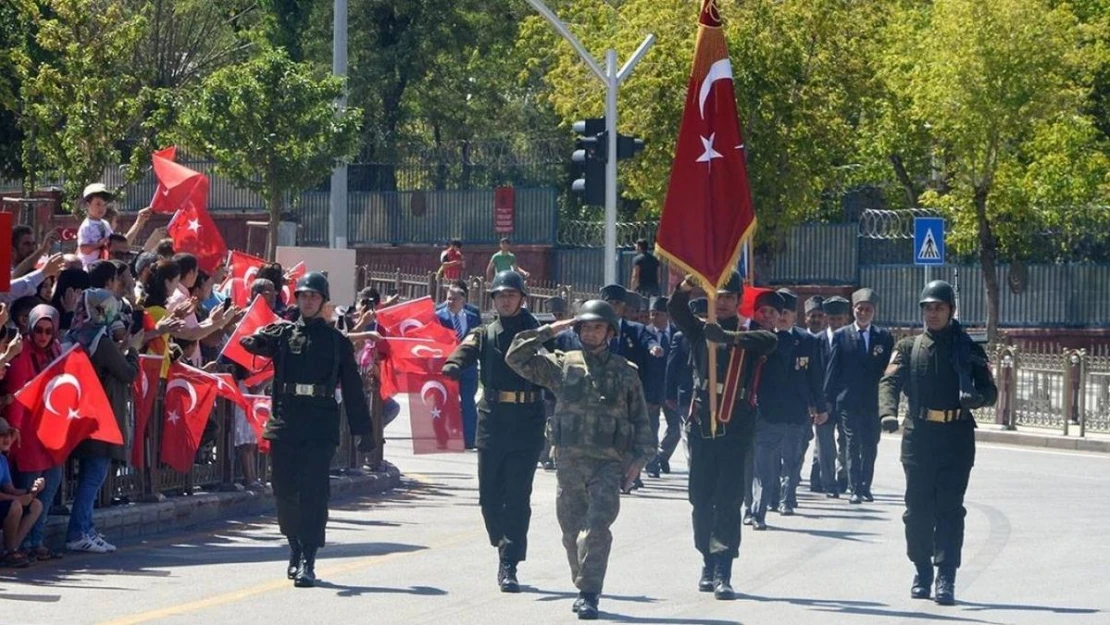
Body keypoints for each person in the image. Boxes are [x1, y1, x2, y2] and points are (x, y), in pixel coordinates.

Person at [506, 300, 656, 620]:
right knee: (572, 534)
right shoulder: (562, 364)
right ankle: (582, 579)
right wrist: (549, 330)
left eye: (597, 327)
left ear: (610, 332)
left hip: (607, 463)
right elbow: (515, 356)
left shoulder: (625, 372)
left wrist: (639, 460)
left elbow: (641, 419)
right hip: (570, 462)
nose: (590, 333)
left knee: (597, 527)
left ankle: (589, 593)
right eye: (585, 327)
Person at [239, 272, 376, 588]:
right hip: (286, 421)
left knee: (314, 492)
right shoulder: (283, 334)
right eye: (303, 296)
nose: (308, 301)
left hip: (319, 424)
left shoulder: (336, 341)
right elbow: (257, 343)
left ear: (324, 302)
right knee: (283, 489)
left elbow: (353, 389)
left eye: (314, 296)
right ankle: (294, 544)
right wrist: (255, 342)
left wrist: (363, 431)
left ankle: (309, 557)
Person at [879, 280, 997, 606]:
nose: (933, 313)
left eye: (939, 307)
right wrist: (887, 413)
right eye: (928, 308)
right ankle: (921, 569)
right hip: (918, 436)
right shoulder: (907, 347)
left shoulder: (969, 349)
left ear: (951, 311)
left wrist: (977, 398)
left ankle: (946, 575)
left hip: (956, 437)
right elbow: (889, 381)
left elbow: (991, 391)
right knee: (917, 512)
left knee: (949, 510)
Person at [667, 272, 777, 600]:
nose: (725, 301)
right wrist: (688, 285)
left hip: (736, 420)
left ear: (738, 300)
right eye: (719, 295)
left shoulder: (749, 331)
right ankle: (706, 557)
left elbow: (771, 341)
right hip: (703, 419)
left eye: (730, 296)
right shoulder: (700, 329)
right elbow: (676, 310)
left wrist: (729, 338)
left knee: (728, 497)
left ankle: (723, 568)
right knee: (701, 497)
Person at [442, 270, 550, 593]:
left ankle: (509, 561)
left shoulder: (536, 332)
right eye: (500, 295)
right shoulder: (485, 333)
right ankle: (500, 539)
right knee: (489, 496)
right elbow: (464, 350)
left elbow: (560, 358)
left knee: (518, 494)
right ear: (493, 300)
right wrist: (453, 364)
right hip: (493, 419)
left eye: (511, 295)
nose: (506, 299)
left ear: (522, 298)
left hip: (527, 420)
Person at [63, 289, 139, 554]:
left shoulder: (73, 334)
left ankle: (87, 527)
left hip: (82, 414)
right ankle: (78, 532)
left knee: (90, 476)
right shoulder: (98, 340)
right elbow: (127, 373)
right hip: (99, 416)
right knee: (93, 477)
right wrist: (132, 351)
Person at [751, 289, 827, 523]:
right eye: (778, 312)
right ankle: (761, 508)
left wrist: (820, 406)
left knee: (793, 458)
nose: (782, 317)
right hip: (768, 411)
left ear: (795, 316)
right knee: (765, 462)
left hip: (797, 411)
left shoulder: (807, 341)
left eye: (787, 313)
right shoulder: (762, 338)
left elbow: (815, 376)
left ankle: (787, 498)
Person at [3, 305, 65, 561]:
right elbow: (17, 395)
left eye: (48, 331)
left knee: (50, 487)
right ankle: (20, 544)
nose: (43, 335)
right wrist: (14, 429)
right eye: (38, 330)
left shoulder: (57, 351)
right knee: (30, 491)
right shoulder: (21, 355)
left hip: (51, 434)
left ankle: (36, 540)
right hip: (27, 436)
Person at [824, 288, 894, 504]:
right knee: (852, 443)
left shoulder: (884, 336)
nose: (863, 313)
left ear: (874, 312)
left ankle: (866, 486)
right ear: (853, 310)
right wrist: (827, 399)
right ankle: (855, 487)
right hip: (849, 400)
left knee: (871, 444)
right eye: (860, 309)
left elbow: (889, 371)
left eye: (868, 309)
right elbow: (833, 369)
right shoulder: (842, 335)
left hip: (873, 401)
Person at [812, 295, 850, 496]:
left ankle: (844, 476)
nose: (836, 324)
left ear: (846, 319)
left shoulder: (852, 339)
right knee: (825, 444)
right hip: (822, 401)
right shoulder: (816, 341)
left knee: (846, 442)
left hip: (845, 401)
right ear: (826, 318)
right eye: (832, 319)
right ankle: (828, 483)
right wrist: (816, 402)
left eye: (840, 320)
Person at [436, 284, 481, 449]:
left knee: (468, 402)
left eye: (454, 299)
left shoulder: (472, 318)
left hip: (468, 367)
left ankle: (469, 439)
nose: (450, 302)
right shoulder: (438, 317)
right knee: (447, 402)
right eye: (448, 298)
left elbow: (478, 341)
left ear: (463, 300)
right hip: (447, 366)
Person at [0, 417, 45, 569]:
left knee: (36, 504)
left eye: (8, 435)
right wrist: (18, 499)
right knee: (16, 506)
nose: (6, 439)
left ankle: (12, 549)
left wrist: (31, 490)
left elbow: (9, 488)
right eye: (2, 435)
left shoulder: (3, 460)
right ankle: (10, 551)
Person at [76, 183, 116, 268]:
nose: (101, 208)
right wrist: (99, 244)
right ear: (87, 205)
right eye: (98, 204)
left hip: (105, 265)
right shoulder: (86, 226)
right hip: (90, 268)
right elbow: (83, 249)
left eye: (104, 205)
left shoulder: (105, 224)